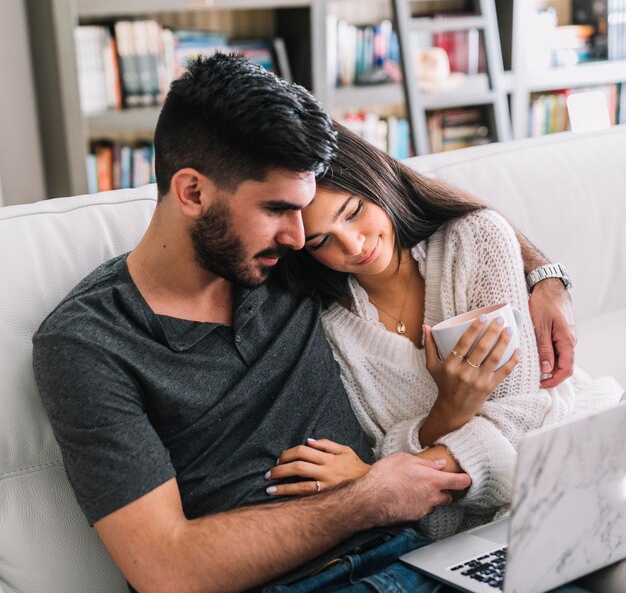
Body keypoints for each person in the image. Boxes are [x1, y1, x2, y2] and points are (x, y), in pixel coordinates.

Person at [32, 53, 585, 593]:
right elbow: (165, 570)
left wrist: (546, 278)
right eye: (277, 209)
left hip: (422, 555)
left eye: (304, 212)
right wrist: (370, 496)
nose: (302, 236)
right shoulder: (88, 342)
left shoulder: (287, 263)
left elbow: (413, 198)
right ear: (192, 192)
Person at [272, 123, 625, 543]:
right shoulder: (331, 330)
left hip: (583, 460)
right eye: (321, 241)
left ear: (376, 179)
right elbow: (408, 495)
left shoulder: (475, 239)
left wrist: (378, 477)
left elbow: (524, 414)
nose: (351, 245)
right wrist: (449, 413)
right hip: (469, 537)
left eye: (353, 212)